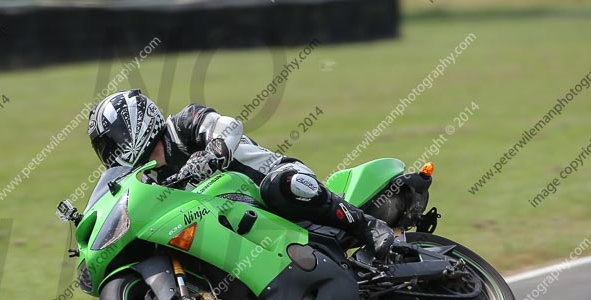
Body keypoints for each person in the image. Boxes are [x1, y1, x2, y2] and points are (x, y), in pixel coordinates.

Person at [87, 89, 394, 258]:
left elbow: (229, 126)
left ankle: (367, 225)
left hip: (270, 180)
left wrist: (213, 152)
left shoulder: (182, 124)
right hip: (239, 223)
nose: (111, 154)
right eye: (105, 149)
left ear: (136, 122)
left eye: (113, 142)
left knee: (284, 186)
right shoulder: (151, 180)